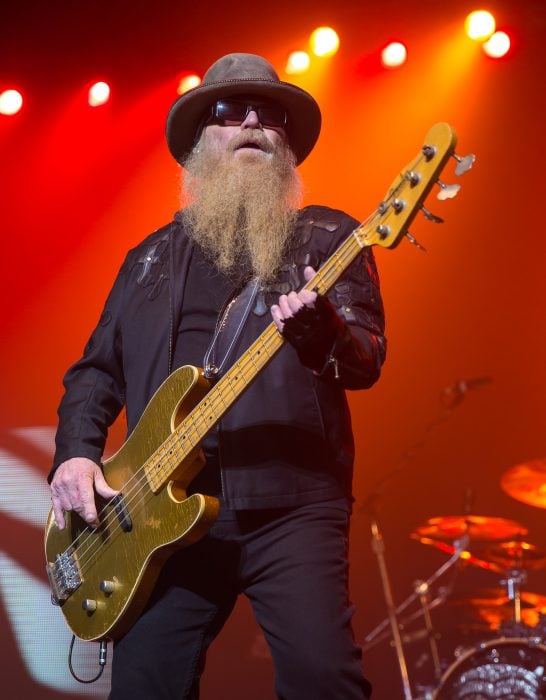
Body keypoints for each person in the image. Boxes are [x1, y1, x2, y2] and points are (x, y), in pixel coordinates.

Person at [48, 53, 386, 699]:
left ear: (287, 144)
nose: (253, 123)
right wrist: (74, 457)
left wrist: (321, 332)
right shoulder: (146, 258)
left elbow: (366, 360)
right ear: (201, 140)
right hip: (156, 518)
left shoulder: (327, 238)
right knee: (146, 687)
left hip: (290, 506)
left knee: (325, 679)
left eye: (272, 114)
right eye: (231, 112)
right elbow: (95, 372)